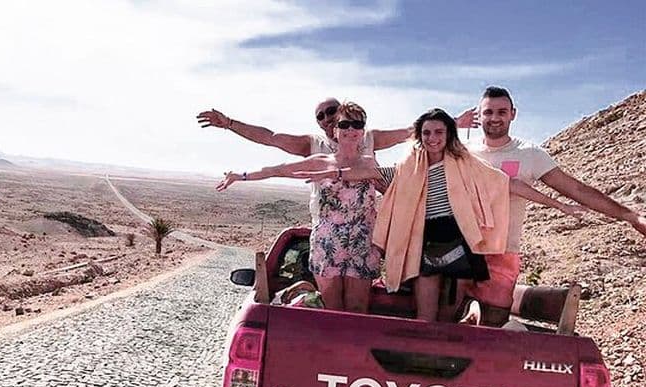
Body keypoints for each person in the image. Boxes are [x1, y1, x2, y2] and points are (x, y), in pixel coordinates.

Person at [299, 109, 585, 322]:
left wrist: (560, 205)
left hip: (459, 238)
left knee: (451, 310)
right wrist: (329, 171)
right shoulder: (409, 165)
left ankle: (448, 349)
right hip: (424, 239)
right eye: (426, 133)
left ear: (448, 134)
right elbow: (369, 172)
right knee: (425, 311)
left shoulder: (465, 164)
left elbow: (509, 184)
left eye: (438, 132)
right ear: (419, 137)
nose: (432, 138)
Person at [459, 86, 646, 325]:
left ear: (513, 114)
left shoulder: (529, 154)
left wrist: (630, 216)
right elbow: (424, 145)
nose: (495, 118)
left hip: (503, 250)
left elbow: (576, 190)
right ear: (478, 114)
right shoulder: (464, 151)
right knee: (446, 316)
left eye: (501, 112)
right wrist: (455, 122)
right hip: (461, 246)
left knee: (492, 322)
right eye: (488, 112)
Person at [216, 102, 381, 313]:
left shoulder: (371, 164)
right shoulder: (320, 162)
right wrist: (241, 176)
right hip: (328, 245)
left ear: (363, 130)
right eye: (345, 124)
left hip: (362, 244)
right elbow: (279, 170)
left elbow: (397, 184)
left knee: (358, 310)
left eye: (357, 124)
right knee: (332, 310)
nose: (351, 130)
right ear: (336, 130)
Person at [196, 99, 478, 158]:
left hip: (363, 230)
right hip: (328, 232)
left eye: (332, 111)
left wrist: (455, 122)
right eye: (321, 116)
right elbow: (270, 138)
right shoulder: (313, 145)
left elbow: (412, 130)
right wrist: (230, 124)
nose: (327, 118)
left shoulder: (368, 138)